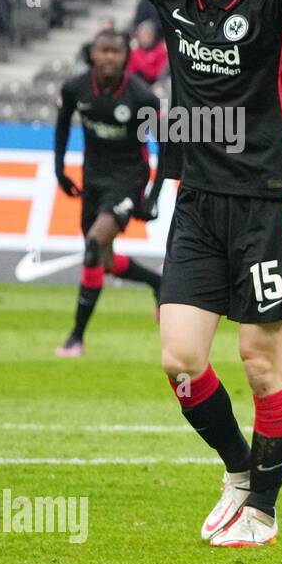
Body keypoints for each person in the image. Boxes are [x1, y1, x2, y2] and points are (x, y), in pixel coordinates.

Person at [5, 0, 282, 549]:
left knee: (260, 361)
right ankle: (238, 470)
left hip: (265, 203)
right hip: (196, 205)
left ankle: (264, 512)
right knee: (181, 358)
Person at [53, 29, 169, 357]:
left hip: (128, 180)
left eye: (115, 52)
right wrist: (59, 169)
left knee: (93, 244)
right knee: (101, 261)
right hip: (92, 179)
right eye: (102, 51)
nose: (108, 57)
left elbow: (169, 145)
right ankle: (156, 282)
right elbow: (62, 123)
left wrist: (153, 195)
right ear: (92, 54)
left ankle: (76, 338)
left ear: (125, 57)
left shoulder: (141, 96)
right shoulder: (75, 88)